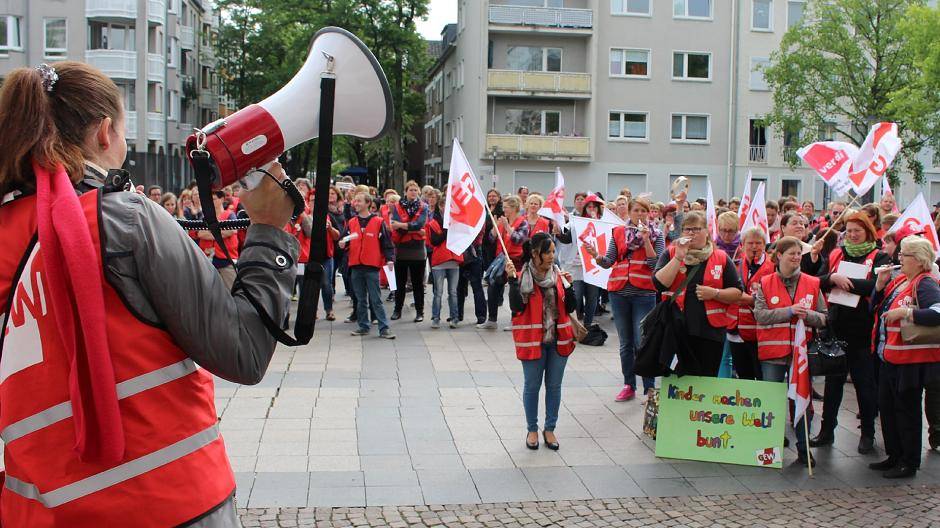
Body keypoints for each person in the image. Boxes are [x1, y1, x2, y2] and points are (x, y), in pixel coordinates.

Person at [0, 61, 297, 525]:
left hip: (39, 512)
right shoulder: (125, 218)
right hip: (171, 500)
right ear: (104, 133)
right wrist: (270, 229)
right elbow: (243, 352)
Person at [811, 212, 890, 454]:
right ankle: (827, 431)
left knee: (864, 384)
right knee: (833, 382)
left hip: (863, 329)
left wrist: (848, 283)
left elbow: (878, 286)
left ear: (868, 231)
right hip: (836, 327)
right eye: (850, 230)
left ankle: (867, 433)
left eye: (858, 230)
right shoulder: (837, 253)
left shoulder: (880, 256)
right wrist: (832, 277)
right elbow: (817, 281)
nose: (853, 235)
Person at [753, 236, 828, 467]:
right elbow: (760, 315)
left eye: (798, 253)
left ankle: (803, 448)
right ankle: (769, 448)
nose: (796, 258)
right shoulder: (765, 282)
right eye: (791, 254)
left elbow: (824, 317)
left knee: (801, 401)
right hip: (772, 353)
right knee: (772, 402)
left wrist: (809, 316)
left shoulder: (812, 283)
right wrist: (789, 311)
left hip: (800, 355)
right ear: (779, 256)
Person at [869, 236, 940, 477]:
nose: (899, 259)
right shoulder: (900, 281)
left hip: (909, 361)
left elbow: (937, 312)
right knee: (888, 408)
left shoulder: (925, 282)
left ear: (919, 260)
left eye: (904, 255)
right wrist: (879, 285)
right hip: (889, 356)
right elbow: (874, 307)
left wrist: (907, 313)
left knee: (906, 410)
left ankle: (908, 461)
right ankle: (894, 454)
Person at [588, 197, 664, 400]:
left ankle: (649, 387)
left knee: (642, 341)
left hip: (644, 293)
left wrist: (646, 239)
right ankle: (628, 384)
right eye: (636, 210)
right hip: (619, 291)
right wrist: (596, 256)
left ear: (649, 214)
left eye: (644, 211)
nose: (640, 214)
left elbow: (655, 264)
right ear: (629, 213)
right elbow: (608, 262)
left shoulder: (657, 234)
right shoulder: (619, 232)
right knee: (625, 343)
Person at [506, 232, 576, 451]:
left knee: (554, 387)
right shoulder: (522, 276)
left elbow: (572, 307)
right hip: (533, 342)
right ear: (536, 254)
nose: (552, 257)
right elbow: (516, 307)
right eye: (548, 252)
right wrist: (511, 280)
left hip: (558, 341)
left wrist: (570, 287)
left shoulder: (559, 276)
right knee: (532, 386)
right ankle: (532, 429)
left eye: (554, 252)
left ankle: (550, 428)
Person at [653, 211, 743, 376]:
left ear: (706, 232)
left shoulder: (720, 257)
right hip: (676, 330)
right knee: (677, 382)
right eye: (687, 229)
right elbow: (658, 284)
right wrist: (678, 258)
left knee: (704, 381)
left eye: (696, 229)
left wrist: (715, 293)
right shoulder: (671, 253)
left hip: (709, 333)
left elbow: (737, 293)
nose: (691, 233)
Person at [340, 192, 396, 339]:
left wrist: (390, 259)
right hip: (356, 265)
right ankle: (363, 326)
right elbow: (344, 240)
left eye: (359, 201)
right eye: (355, 201)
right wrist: (342, 243)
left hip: (371, 266)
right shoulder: (352, 222)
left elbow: (387, 243)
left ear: (367, 203)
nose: (355, 203)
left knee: (376, 299)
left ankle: (384, 328)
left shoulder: (378, 222)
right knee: (360, 299)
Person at [727, 227, 776, 380]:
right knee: (743, 375)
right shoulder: (736, 264)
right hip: (736, 328)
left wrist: (749, 299)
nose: (754, 247)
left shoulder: (772, 266)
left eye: (758, 243)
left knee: (760, 375)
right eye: (750, 243)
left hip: (759, 331)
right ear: (742, 245)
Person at [479, 195, 528, 329]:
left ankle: (515, 320)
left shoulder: (522, 222)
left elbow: (519, 240)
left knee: (514, 290)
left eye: (506, 207)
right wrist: (495, 230)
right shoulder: (503, 220)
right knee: (493, 287)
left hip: (515, 260)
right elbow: (490, 239)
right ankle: (492, 320)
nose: (503, 209)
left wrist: (508, 228)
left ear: (514, 208)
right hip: (501, 260)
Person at [389, 180, 429, 322]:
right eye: (410, 190)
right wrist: (411, 227)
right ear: (405, 192)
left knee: (418, 283)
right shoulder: (396, 207)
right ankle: (397, 310)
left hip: (418, 250)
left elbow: (420, 224)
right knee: (400, 283)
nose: (413, 192)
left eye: (415, 190)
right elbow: (395, 226)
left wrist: (402, 225)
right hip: (401, 248)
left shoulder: (424, 207)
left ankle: (420, 312)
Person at [426, 189, 462, 329]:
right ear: (439, 206)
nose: (444, 208)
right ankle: (436, 318)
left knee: (453, 292)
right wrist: (447, 230)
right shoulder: (433, 223)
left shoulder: (456, 222)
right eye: (442, 205)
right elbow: (435, 241)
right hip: (439, 262)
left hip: (453, 260)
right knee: (438, 293)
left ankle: (454, 317)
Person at [195, 190, 240, 289]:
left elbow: (232, 231)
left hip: (226, 261)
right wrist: (221, 233)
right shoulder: (204, 217)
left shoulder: (230, 215)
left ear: (222, 199)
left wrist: (209, 233)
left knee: (232, 290)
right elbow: (200, 234)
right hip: (207, 261)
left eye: (214, 199)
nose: (211, 201)